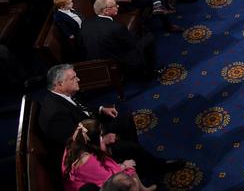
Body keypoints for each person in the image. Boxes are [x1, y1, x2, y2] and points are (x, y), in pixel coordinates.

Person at [40, 64, 180, 183]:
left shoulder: (66, 92)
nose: (78, 79)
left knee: (126, 119)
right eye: (73, 78)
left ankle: (135, 159)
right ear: (59, 84)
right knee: (129, 146)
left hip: (93, 127)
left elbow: (82, 109)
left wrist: (101, 109)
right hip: (88, 147)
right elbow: (74, 142)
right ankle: (155, 166)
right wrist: (103, 140)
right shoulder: (55, 115)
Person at [62, 118, 157, 191]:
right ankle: (141, 188)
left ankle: (143, 188)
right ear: (93, 142)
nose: (102, 138)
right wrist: (123, 165)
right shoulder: (88, 161)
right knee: (129, 171)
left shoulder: (73, 142)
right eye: (100, 136)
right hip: (97, 185)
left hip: (89, 177)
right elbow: (108, 180)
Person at [80, 0, 158, 79]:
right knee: (149, 38)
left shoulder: (85, 23)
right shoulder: (116, 27)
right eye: (114, 5)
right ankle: (149, 73)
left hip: (95, 64)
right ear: (106, 11)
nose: (118, 6)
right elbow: (131, 45)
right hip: (116, 62)